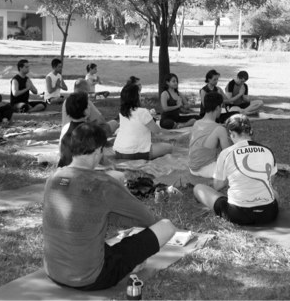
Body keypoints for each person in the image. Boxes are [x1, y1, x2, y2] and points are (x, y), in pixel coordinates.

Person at [43, 123, 176, 291]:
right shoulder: (104, 184)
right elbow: (148, 219)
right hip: (92, 278)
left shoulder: (52, 179)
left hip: (54, 272)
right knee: (166, 227)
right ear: (99, 150)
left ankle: (128, 264)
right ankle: (126, 265)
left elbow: (85, 215)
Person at [193, 115, 278, 225]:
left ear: (232, 134)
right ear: (249, 131)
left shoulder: (226, 153)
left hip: (237, 214)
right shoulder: (268, 150)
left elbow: (217, 186)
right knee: (275, 193)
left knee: (198, 188)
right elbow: (271, 181)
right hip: (269, 213)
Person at [113, 84, 172, 160]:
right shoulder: (142, 112)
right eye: (139, 94)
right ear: (136, 97)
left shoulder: (122, 112)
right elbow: (156, 130)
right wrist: (152, 118)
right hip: (134, 153)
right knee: (169, 147)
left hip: (118, 151)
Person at [188, 92, 231, 178]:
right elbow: (228, 154)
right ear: (218, 107)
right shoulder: (219, 129)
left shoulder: (196, 123)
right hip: (208, 169)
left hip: (192, 169)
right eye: (221, 106)